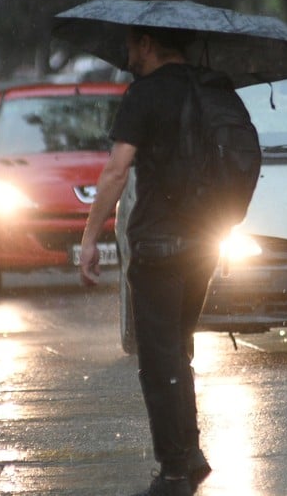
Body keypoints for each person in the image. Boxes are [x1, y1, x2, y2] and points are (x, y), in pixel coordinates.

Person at [79, 25, 219, 496]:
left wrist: (89, 237)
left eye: (131, 45)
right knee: (178, 348)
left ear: (147, 43)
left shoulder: (145, 94)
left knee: (158, 361)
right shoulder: (208, 90)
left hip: (159, 242)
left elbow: (117, 170)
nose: (126, 53)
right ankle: (192, 452)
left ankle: (174, 472)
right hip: (204, 241)